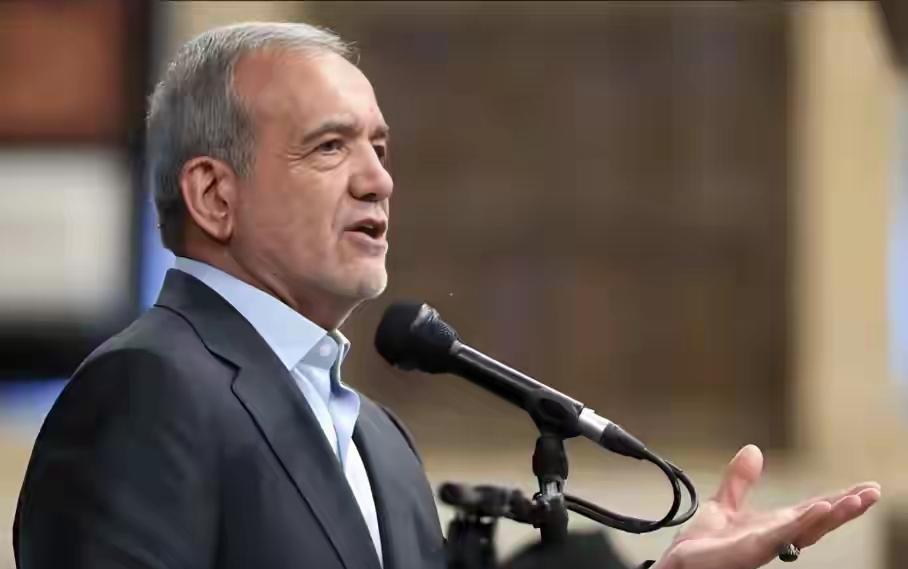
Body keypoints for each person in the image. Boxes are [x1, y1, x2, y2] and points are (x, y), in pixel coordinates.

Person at [13, 22, 880, 569]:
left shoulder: (379, 441)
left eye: (380, 148)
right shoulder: (145, 390)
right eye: (330, 147)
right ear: (213, 195)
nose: (378, 180)